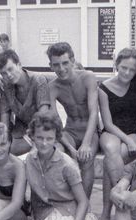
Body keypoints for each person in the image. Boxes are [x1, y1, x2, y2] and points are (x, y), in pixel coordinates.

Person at [0, 111, 116, 220]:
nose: (44, 143)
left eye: (49, 139)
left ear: (56, 139)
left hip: (70, 218)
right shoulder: (30, 160)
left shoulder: (66, 164)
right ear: (32, 137)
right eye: (40, 138)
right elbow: (36, 195)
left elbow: (83, 202)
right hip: (48, 218)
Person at [98, 47, 136, 220]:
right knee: (110, 148)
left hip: (133, 130)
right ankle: (121, 201)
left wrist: (130, 140)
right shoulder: (104, 88)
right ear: (116, 65)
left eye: (132, 70)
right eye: (123, 68)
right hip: (111, 130)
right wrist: (126, 140)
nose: (127, 73)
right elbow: (107, 123)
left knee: (113, 158)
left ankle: (107, 212)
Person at [47, 42, 99, 197]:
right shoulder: (53, 87)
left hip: (89, 130)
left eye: (65, 63)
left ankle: (85, 205)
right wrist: (70, 148)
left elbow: (94, 113)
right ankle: (62, 201)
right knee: (55, 153)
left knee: (86, 158)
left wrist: (86, 144)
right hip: (69, 130)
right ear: (51, 66)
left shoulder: (88, 77)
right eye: (56, 65)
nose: (61, 69)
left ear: (73, 61)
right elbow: (55, 122)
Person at [0, 49, 50, 155]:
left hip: (43, 129)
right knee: (0, 150)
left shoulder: (38, 80)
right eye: (4, 73)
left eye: (10, 69)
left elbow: (44, 117)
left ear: (19, 65)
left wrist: (35, 144)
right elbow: (4, 115)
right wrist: (3, 138)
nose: (9, 75)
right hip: (20, 130)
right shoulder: (6, 86)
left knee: (11, 152)